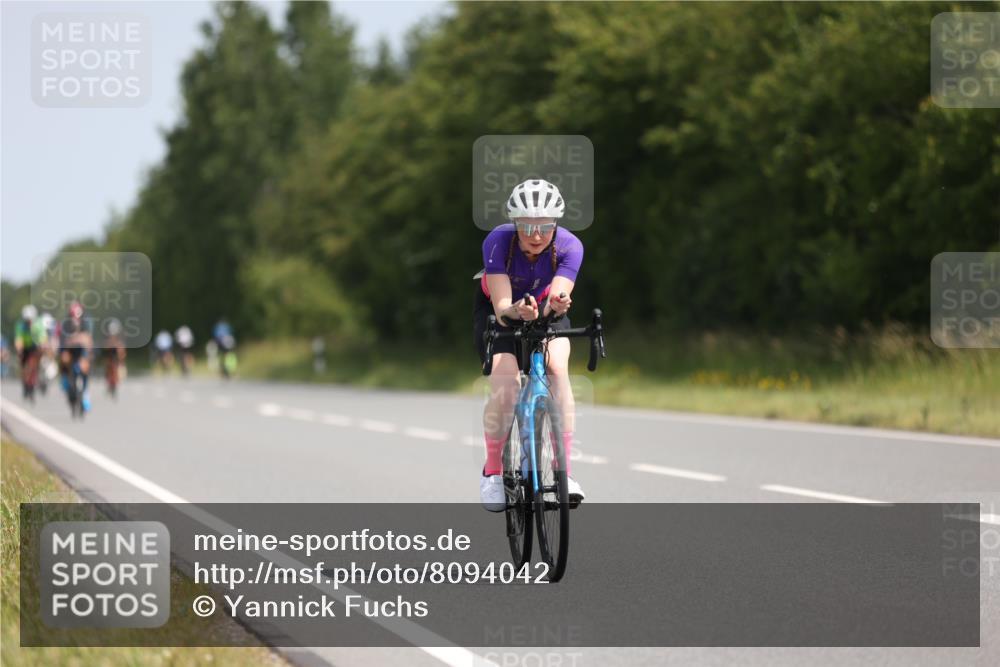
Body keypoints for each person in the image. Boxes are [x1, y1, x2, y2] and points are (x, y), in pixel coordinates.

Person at [475, 179, 584, 511]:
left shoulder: (570, 246)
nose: (536, 235)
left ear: (556, 224)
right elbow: (502, 305)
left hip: (544, 311)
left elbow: (557, 296)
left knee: (557, 368)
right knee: (506, 380)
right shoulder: (498, 241)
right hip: (501, 310)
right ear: (515, 223)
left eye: (545, 226)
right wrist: (515, 312)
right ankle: (493, 471)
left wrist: (555, 307)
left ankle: (563, 470)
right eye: (527, 226)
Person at [59, 301, 94, 412]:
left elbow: (88, 340)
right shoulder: (65, 324)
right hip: (69, 350)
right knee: (64, 361)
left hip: (82, 350)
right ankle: (65, 381)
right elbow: (62, 341)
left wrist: (87, 356)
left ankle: (85, 393)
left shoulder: (86, 322)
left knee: (85, 367)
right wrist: (63, 352)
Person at [14, 304, 47, 400]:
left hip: (35, 347)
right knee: (23, 366)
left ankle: (39, 377)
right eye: (27, 320)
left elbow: (43, 337)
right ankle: (25, 384)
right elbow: (18, 339)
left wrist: (42, 345)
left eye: (30, 320)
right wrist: (19, 349)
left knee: (38, 361)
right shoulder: (20, 325)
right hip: (25, 348)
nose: (29, 322)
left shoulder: (38, 325)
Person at [102, 318, 127, 397]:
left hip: (117, 358)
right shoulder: (107, 337)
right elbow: (105, 348)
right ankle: (108, 382)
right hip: (110, 357)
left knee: (120, 367)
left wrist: (121, 360)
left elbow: (122, 350)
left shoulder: (120, 337)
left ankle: (116, 380)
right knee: (107, 365)